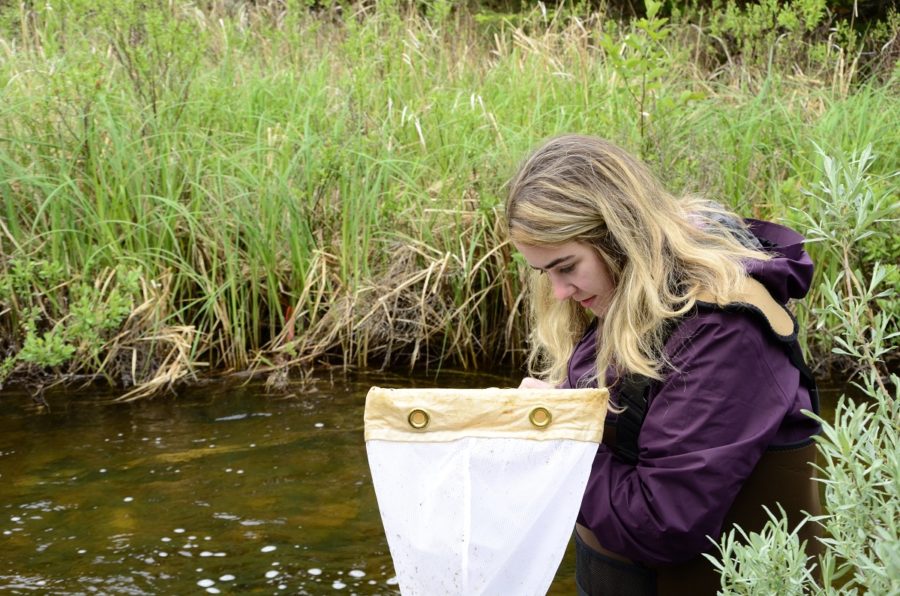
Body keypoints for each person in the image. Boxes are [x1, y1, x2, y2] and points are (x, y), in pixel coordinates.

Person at [504, 135, 822, 595]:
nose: (559, 291)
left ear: (616, 234)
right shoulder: (637, 293)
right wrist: (563, 413)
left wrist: (559, 436)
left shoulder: (723, 332)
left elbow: (663, 522)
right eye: (545, 273)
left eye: (567, 266)